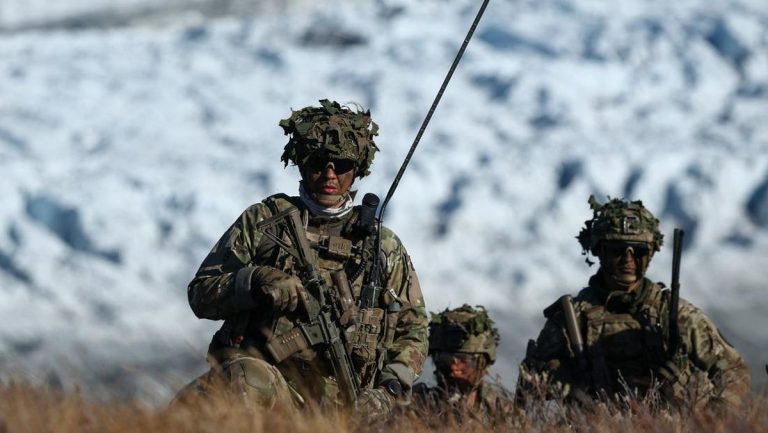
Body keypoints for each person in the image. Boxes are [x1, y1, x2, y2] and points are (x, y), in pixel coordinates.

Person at [175, 99, 428, 418]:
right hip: (269, 392)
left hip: (347, 409)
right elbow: (201, 294)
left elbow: (413, 327)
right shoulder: (265, 223)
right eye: (318, 163)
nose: (329, 175)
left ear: (358, 170)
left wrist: (388, 389)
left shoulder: (382, 246)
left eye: (342, 165)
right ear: (302, 163)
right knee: (248, 377)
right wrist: (254, 282)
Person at [517, 196, 750, 411]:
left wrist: (710, 419)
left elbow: (733, 371)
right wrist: (564, 381)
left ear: (650, 254)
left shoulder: (675, 314)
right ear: (600, 251)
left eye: (638, 251)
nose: (628, 260)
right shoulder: (573, 318)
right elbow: (528, 389)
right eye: (618, 250)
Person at [412, 305, 515, 426]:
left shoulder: (502, 411)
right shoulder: (416, 405)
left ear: (483, 365)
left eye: (463, 361)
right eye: (445, 362)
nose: (453, 369)